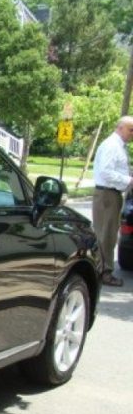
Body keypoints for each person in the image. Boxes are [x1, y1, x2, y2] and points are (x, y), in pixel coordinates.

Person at [92, 116, 133, 286]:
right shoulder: (111, 145)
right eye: (131, 130)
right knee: (106, 235)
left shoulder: (117, 146)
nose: (132, 134)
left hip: (111, 194)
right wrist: (128, 180)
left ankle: (102, 269)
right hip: (107, 194)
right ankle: (104, 272)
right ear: (120, 127)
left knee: (108, 234)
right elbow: (106, 172)